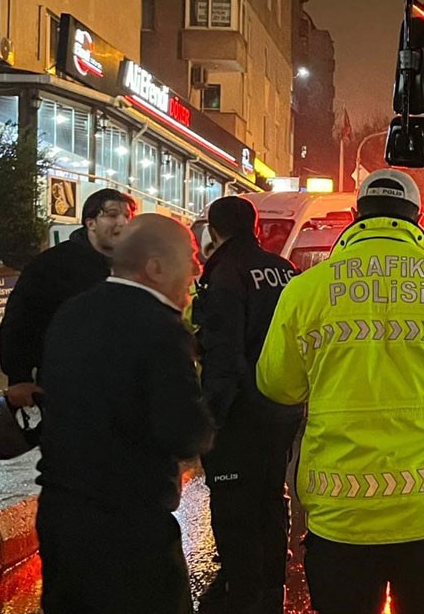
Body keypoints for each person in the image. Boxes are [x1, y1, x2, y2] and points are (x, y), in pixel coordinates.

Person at [257, 170, 424, 614]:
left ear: (356, 215)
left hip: (342, 521)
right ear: (419, 217)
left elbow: (277, 386)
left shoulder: (305, 291)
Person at [34, 214, 215, 614]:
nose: (198, 268)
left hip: (61, 517)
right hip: (129, 528)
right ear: (155, 267)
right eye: (190, 257)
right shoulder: (161, 329)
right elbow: (184, 432)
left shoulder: (71, 314)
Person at [193, 196, 301, 613]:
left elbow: (224, 355)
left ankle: (242, 593)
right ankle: (273, 586)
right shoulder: (283, 270)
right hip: (282, 407)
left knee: (234, 503)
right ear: (254, 226)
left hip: (241, 410)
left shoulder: (224, 275)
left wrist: (209, 419)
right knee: (271, 495)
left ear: (214, 230)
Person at [0, 188, 136, 408]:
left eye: (128, 216)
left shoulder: (135, 265)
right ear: (90, 223)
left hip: (122, 390)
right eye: (112, 215)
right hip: (67, 388)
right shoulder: (52, 265)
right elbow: (20, 320)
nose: (123, 222)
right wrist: (19, 377)